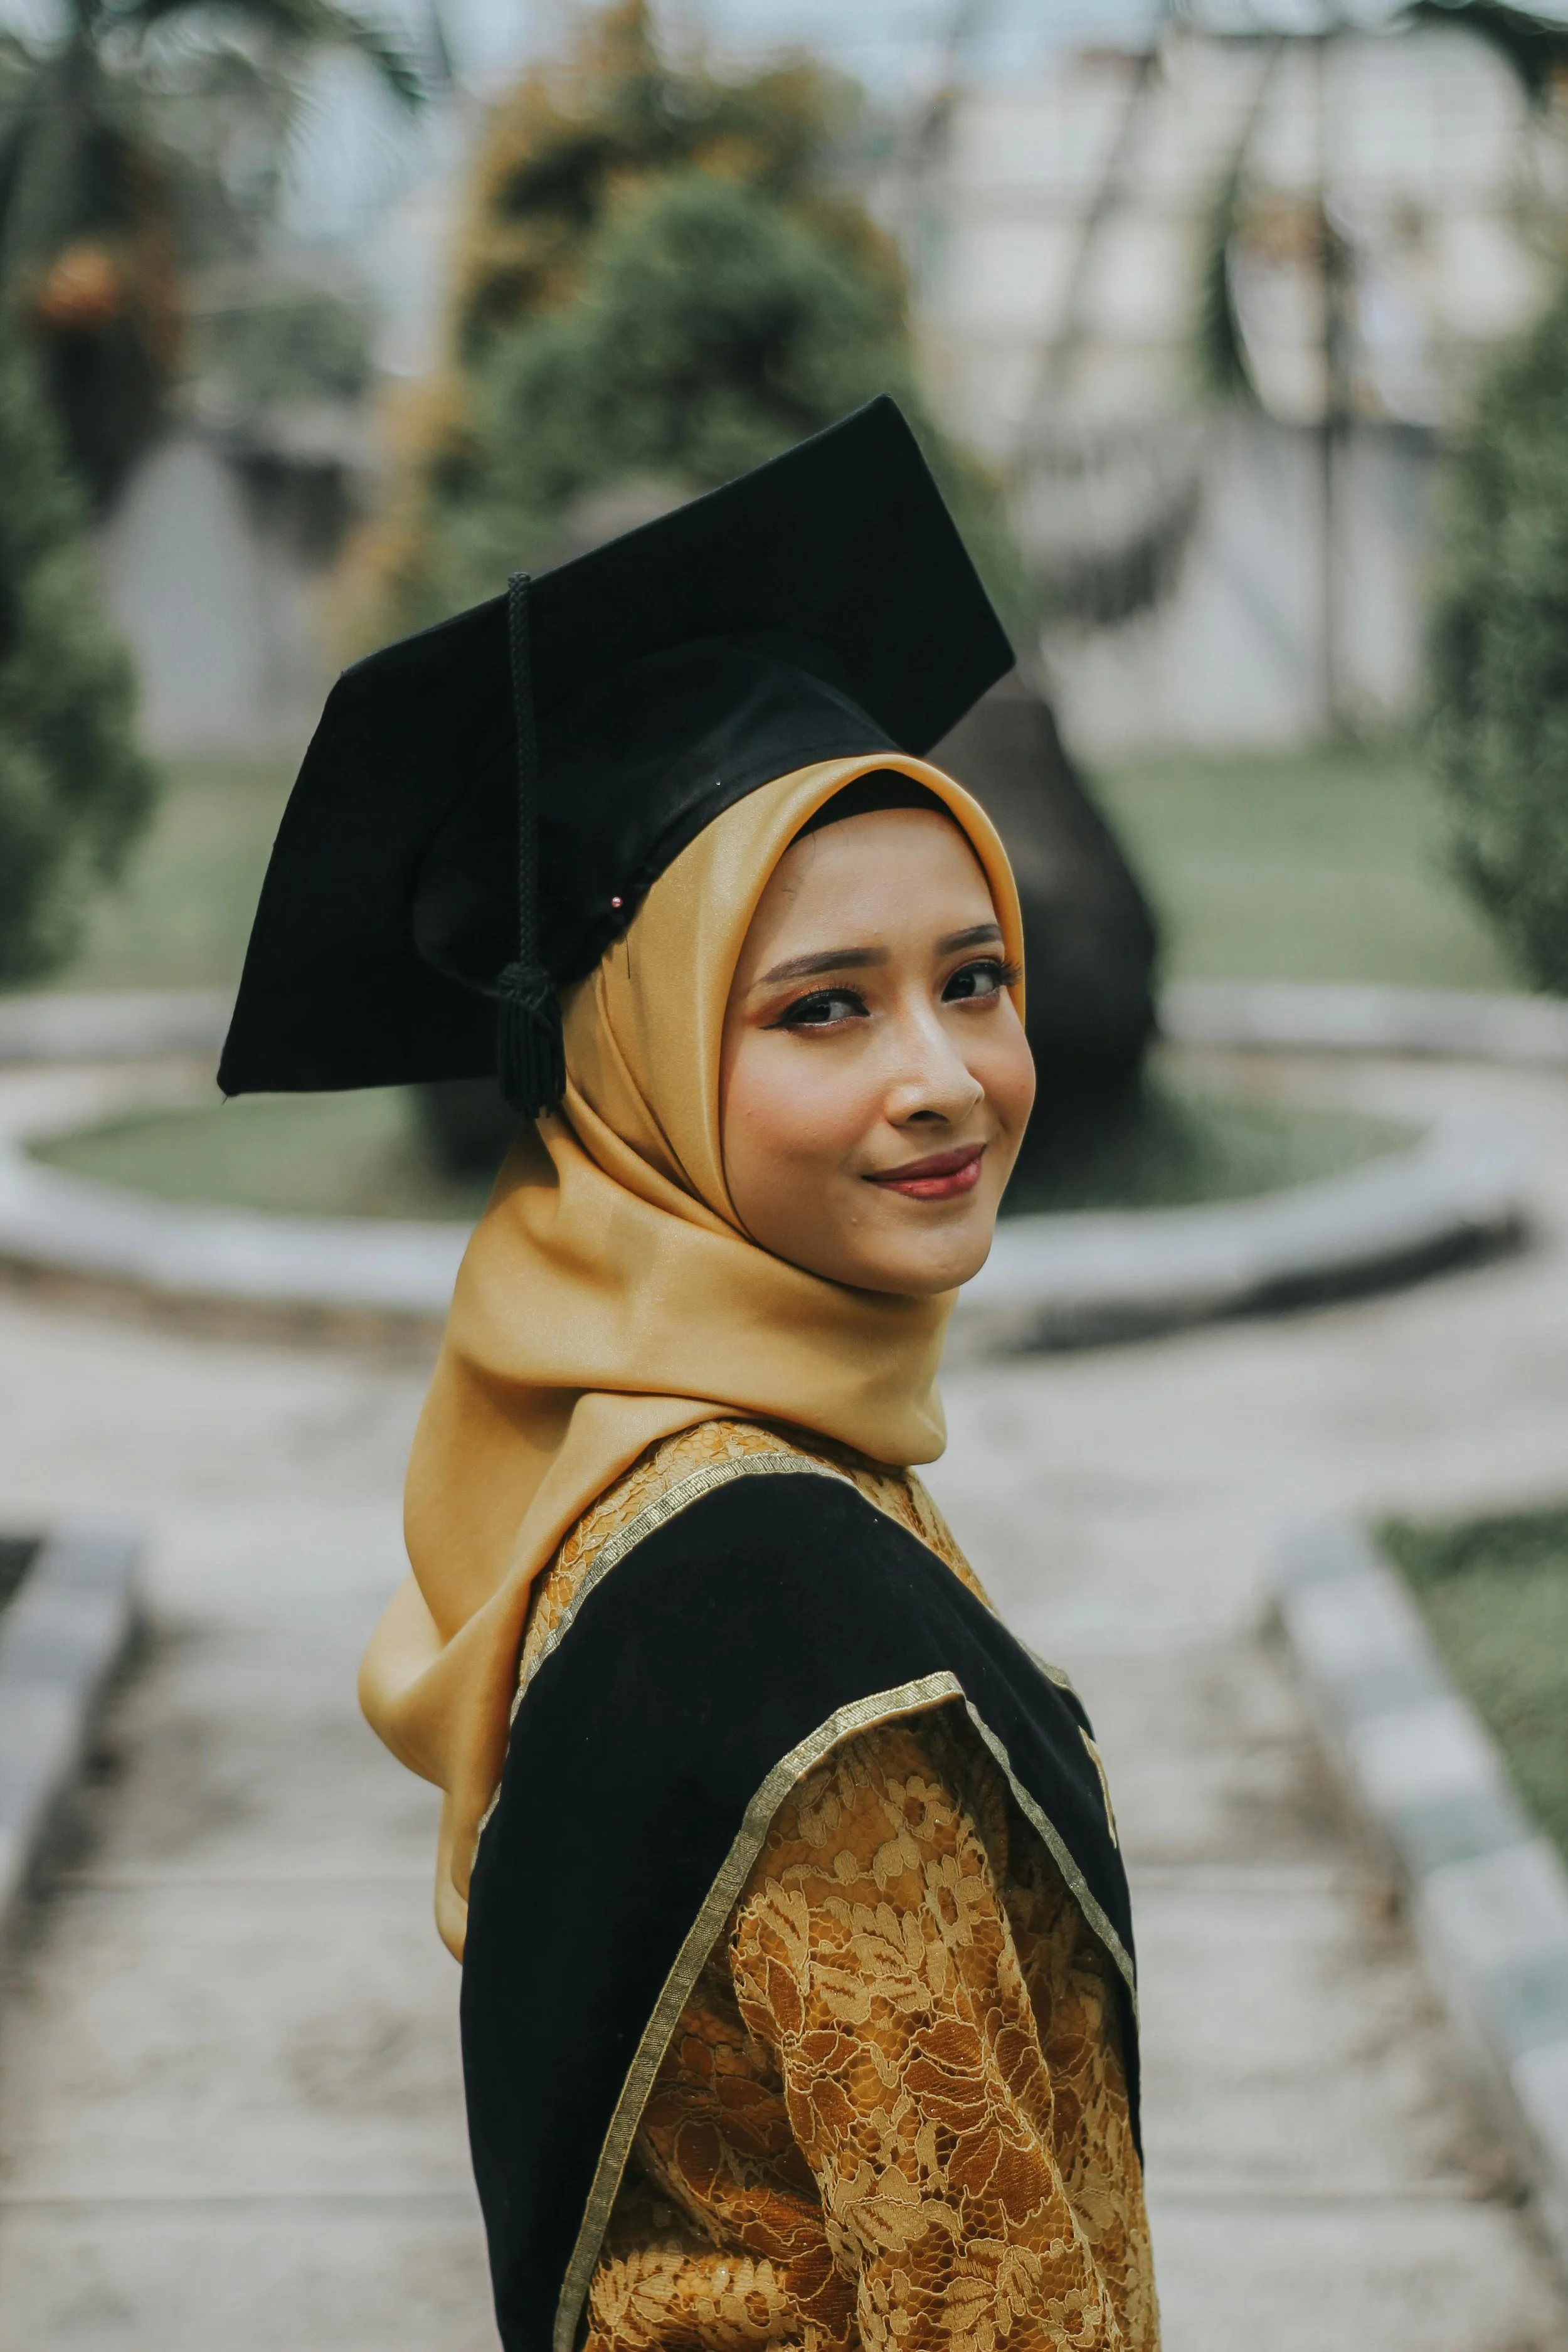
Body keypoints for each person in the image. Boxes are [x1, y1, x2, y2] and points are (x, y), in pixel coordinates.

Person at [220, 400, 1157, 2352]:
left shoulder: (625, 1455)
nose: (943, 1074)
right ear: (633, 1058)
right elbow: (990, 2305)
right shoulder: (798, 1638)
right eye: (824, 1005)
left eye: (972, 975)